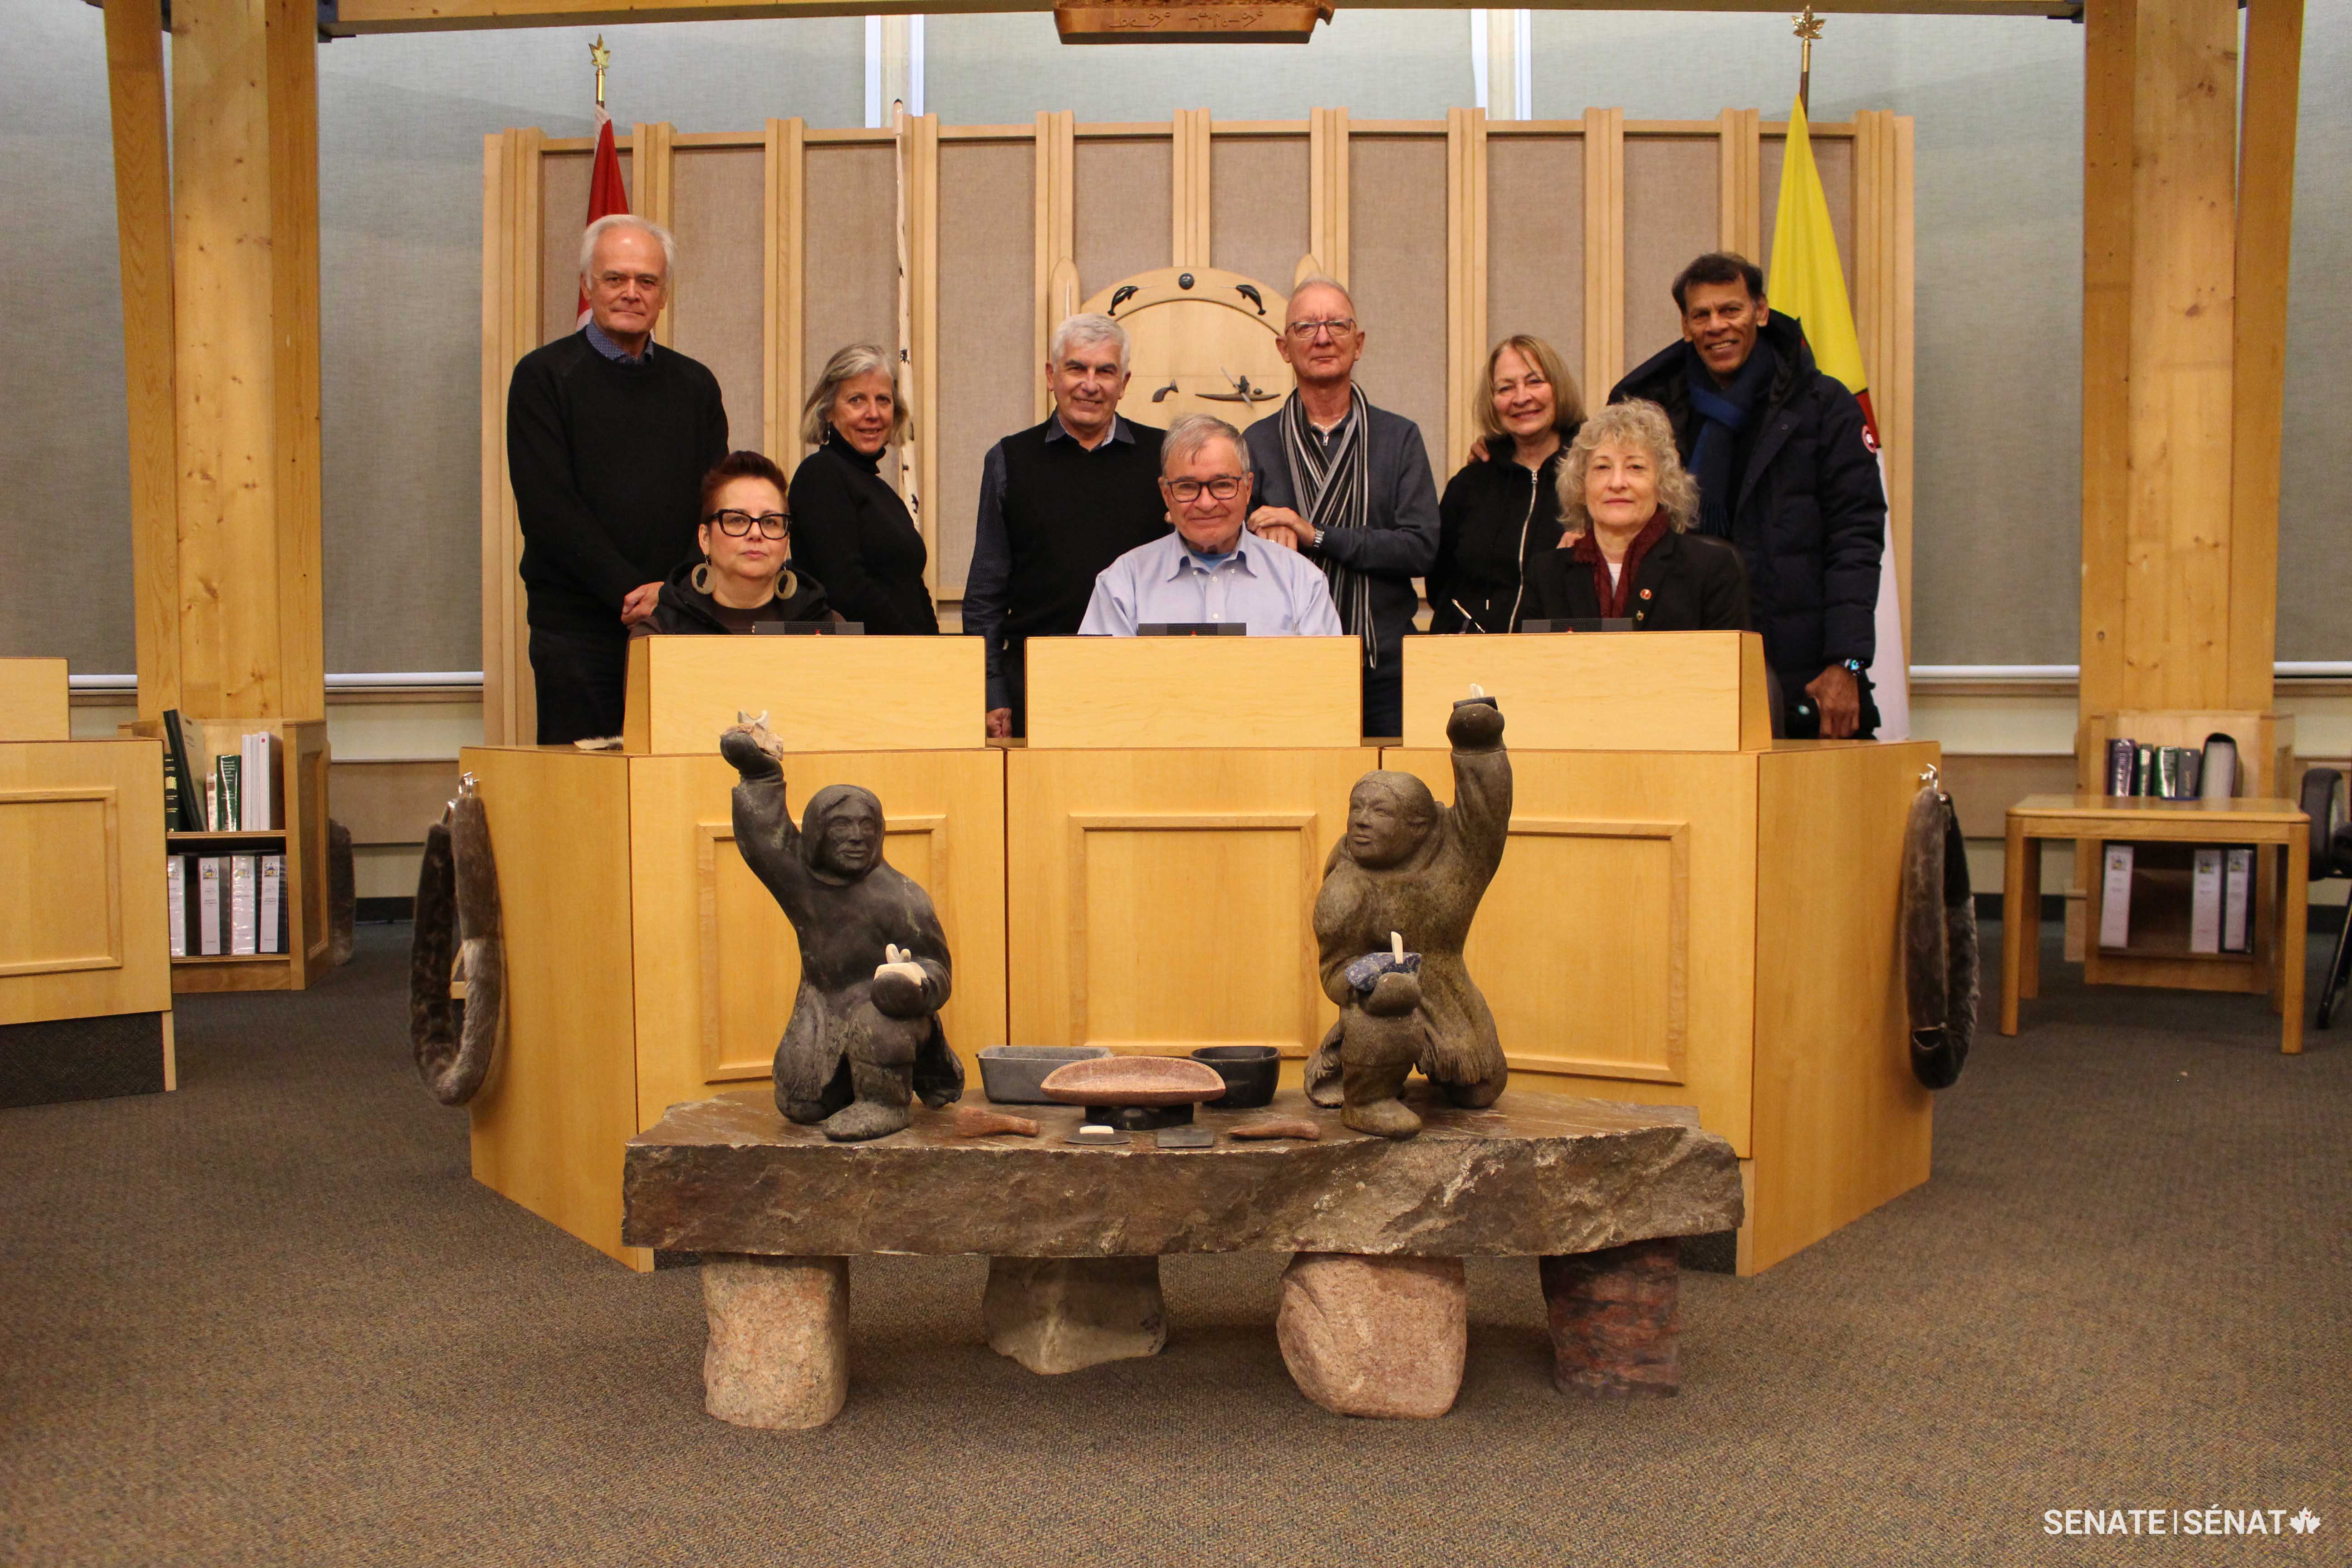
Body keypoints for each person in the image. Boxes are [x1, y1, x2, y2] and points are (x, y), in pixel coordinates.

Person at [1612, 251, 1884, 736]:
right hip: (1682, 671)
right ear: (1686, 326)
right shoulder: (1651, 413)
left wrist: (1846, 662)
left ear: (1760, 311)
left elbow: (1856, 540)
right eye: (1702, 315)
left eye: (1730, 310)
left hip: (1805, 673)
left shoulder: (1824, 407)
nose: (1717, 325)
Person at [506, 214, 728, 742]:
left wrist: (671, 594)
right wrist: (634, 594)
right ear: (587, 285)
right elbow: (549, 511)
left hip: (679, 625)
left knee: (676, 793)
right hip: (577, 634)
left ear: (664, 295)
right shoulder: (542, 378)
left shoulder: (696, 385)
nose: (632, 293)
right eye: (615, 279)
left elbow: (715, 507)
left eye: (647, 281)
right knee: (585, 801)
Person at [1241, 276, 1441, 738]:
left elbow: (1421, 548)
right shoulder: (1255, 443)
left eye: (1337, 324)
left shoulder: (1399, 438)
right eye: (1306, 327)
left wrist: (1314, 535)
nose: (1324, 337)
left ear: (1360, 343)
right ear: (1283, 348)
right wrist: (1256, 534)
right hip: (1284, 668)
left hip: (1387, 671)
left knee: (1393, 800)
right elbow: (1233, 554)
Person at [965, 314, 1169, 737]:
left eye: (1105, 371)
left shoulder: (1164, 457)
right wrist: (990, 689)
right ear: (1051, 376)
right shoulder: (1007, 460)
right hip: (1033, 680)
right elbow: (986, 592)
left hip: (1143, 680)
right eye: (1076, 368)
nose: (1090, 384)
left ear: (1125, 383)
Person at [1077, 414, 1344, 638]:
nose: (1206, 503)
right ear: (1166, 494)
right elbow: (1096, 688)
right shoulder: (1123, 585)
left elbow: (1329, 688)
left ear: (1248, 488)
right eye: (1187, 487)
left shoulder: (1302, 583)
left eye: (1223, 485)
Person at [1521, 400, 1750, 632]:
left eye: (1636, 468)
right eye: (1602, 468)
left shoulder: (1712, 569)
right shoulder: (1546, 574)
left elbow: (1727, 665)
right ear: (1581, 486)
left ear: (1663, 484)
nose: (1617, 483)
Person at [1430, 334, 1586, 635]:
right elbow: (1440, 583)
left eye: (1535, 382)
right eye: (1506, 388)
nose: (1521, 398)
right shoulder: (1469, 485)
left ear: (1558, 388)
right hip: (1469, 662)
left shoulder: (1594, 477)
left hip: (1559, 660)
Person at [786, 345, 938, 635]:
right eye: (857, 400)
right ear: (828, 410)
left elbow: (912, 586)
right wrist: (913, 646)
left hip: (914, 661)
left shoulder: (882, 491)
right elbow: (847, 588)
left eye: (883, 400)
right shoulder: (820, 476)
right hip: (862, 662)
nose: (873, 414)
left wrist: (938, 651)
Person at [631, 451, 833, 637]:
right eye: (737, 520)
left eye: (770, 522)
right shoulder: (659, 635)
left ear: (787, 540)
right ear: (705, 539)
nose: (756, 533)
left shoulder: (828, 631)